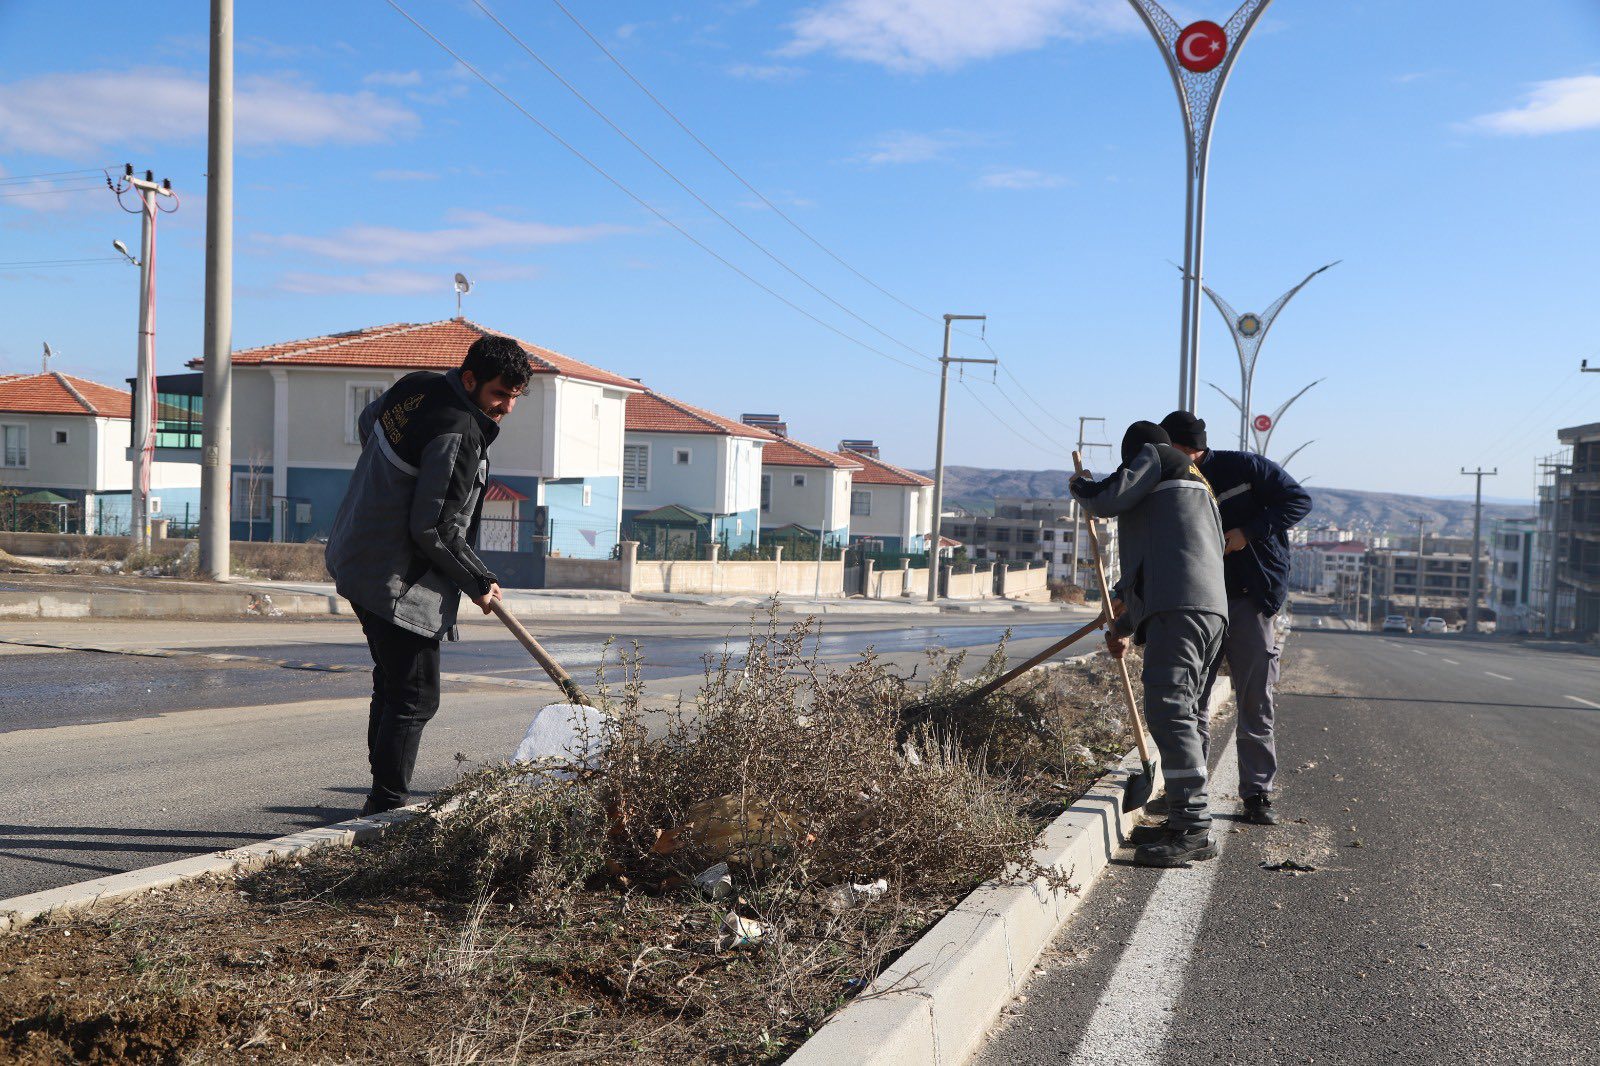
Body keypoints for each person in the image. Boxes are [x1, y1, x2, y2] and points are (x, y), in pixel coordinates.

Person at [325, 334, 532, 816]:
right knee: (415, 694)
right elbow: (435, 528)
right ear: (470, 379)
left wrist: (388, 488)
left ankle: (380, 800)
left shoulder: (416, 386)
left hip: (357, 554)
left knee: (393, 685)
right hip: (395, 581)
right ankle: (386, 811)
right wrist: (478, 580)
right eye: (499, 394)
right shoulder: (459, 433)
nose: (507, 407)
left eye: (515, 397)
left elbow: (367, 424)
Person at [1072, 421, 1229, 867]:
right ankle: (1187, 821)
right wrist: (1124, 627)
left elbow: (1107, 498)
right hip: (1206, 611)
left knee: (1169, 709)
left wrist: (1082, 486)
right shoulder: (1197, 489)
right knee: (1184, 710)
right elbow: (1159, 562)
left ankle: (1194, 826)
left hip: (1181, 608)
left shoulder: (1159, 457)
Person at [1158, 410, 1312, 825]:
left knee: (1255, 698)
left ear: (1189, 447)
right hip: (1197, 603)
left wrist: (1248, 532)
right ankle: (1189, 791)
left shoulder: (1245, 468)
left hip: (1248, 597)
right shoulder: (1167, 479)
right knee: (1192, 700)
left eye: (1170, 449)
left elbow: (1298, 501)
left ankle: (1257, 794)